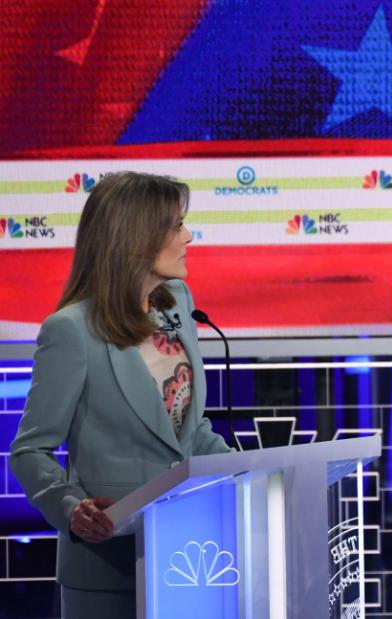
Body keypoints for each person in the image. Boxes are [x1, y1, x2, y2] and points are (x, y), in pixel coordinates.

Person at [9, 172, 231, 618]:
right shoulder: (70, 331)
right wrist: (71, 509)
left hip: (190, 555)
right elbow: (30, 449)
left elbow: (189, 431)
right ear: (136, 238)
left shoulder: (177, 304)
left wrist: (247, 473)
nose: (188, 236)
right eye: (176, 226)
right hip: (107, 568)